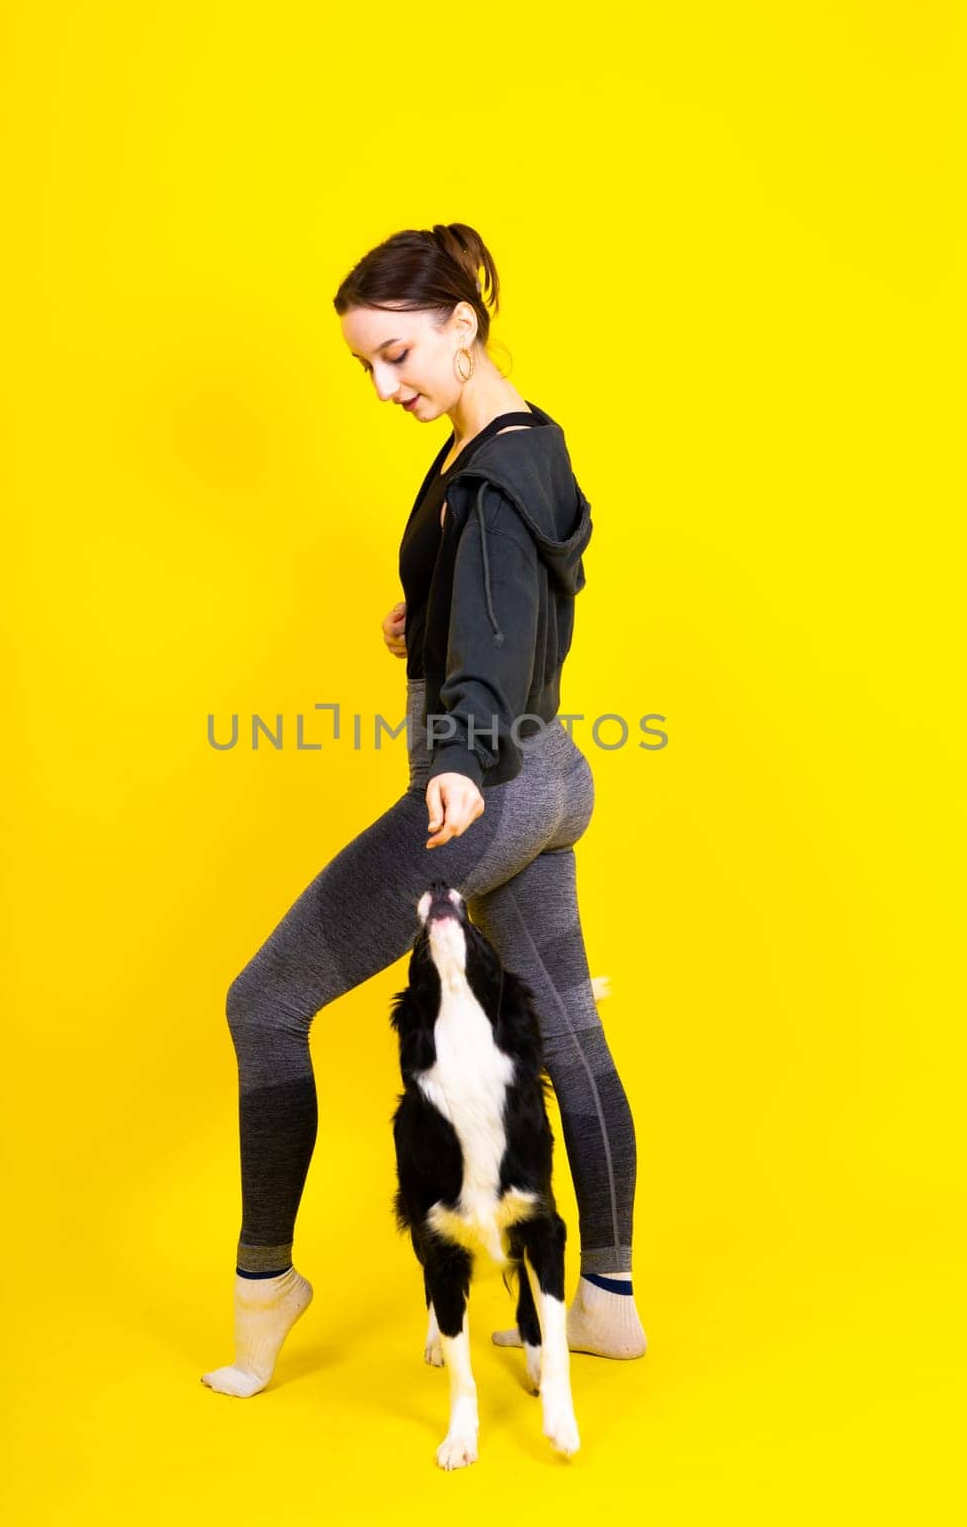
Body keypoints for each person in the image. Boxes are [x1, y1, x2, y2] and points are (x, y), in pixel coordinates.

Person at [201, 223, 647, 1399]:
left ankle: (265, 1285)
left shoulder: (487, 478)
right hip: (551, 770)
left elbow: (498, 621)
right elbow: (521, 595)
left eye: (397, 353)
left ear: (462, 322)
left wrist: (452, 751)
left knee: (264, 1000)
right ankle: (604, 1298)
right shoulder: (519, 440)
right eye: (365, 367)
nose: (385, 384)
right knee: (565, 1031)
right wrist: (434, 617)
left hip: (488, 783)